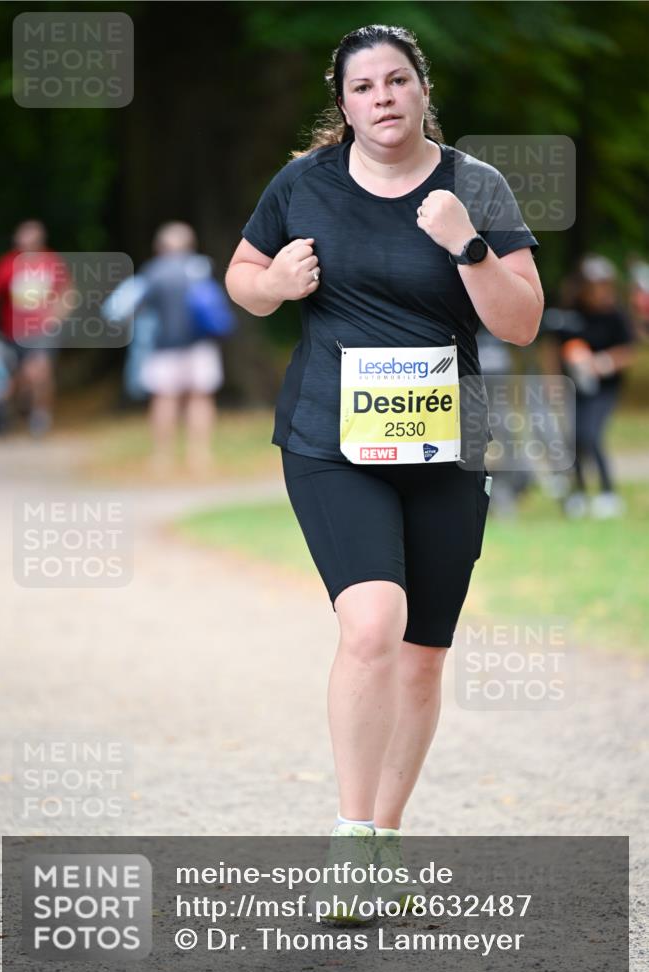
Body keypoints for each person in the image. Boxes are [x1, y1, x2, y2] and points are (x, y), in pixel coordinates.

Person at [226, 24, 542, 921]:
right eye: (362, 87)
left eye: (396, 80)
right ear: (344, 102)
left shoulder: (474, 185)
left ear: (421, 89)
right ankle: (349, 836)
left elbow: (520, 322)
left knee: (422, 654)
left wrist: (467, 245)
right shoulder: (304, 183)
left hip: (443, 448)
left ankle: (384, 842)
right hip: (333, 443)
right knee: (372, 624)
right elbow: (242, 275)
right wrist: (274, 285)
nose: (382, 98)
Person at [545, 254, 635, 518]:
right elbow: (553, 347)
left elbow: (628, 351)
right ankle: (579, 493)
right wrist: (553, 380)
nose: (601, 292)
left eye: (605, 285)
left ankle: (608, 493)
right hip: (576, 388)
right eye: (595, 286)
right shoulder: (569, 313)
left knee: (591, 436)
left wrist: (602, 362)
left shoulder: (616, 315)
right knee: (574, 439)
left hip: (605, 388)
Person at [137, 222, 226, 476]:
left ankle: (162, 457)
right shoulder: (200, 268)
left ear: (159, 247)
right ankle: (200, 455)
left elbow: (134, 307)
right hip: (201, 344)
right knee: (201, 398)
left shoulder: (153, 272)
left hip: (164, 346)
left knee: (164, 399)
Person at [0, 220, 70, 437]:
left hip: (42, 330)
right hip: (12, 332)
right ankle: (20, 410)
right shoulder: (8, 264)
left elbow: (67, 292)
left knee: (39, 369)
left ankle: (40, 416)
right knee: (18, 378)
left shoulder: (52, 262)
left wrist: (57, 316)